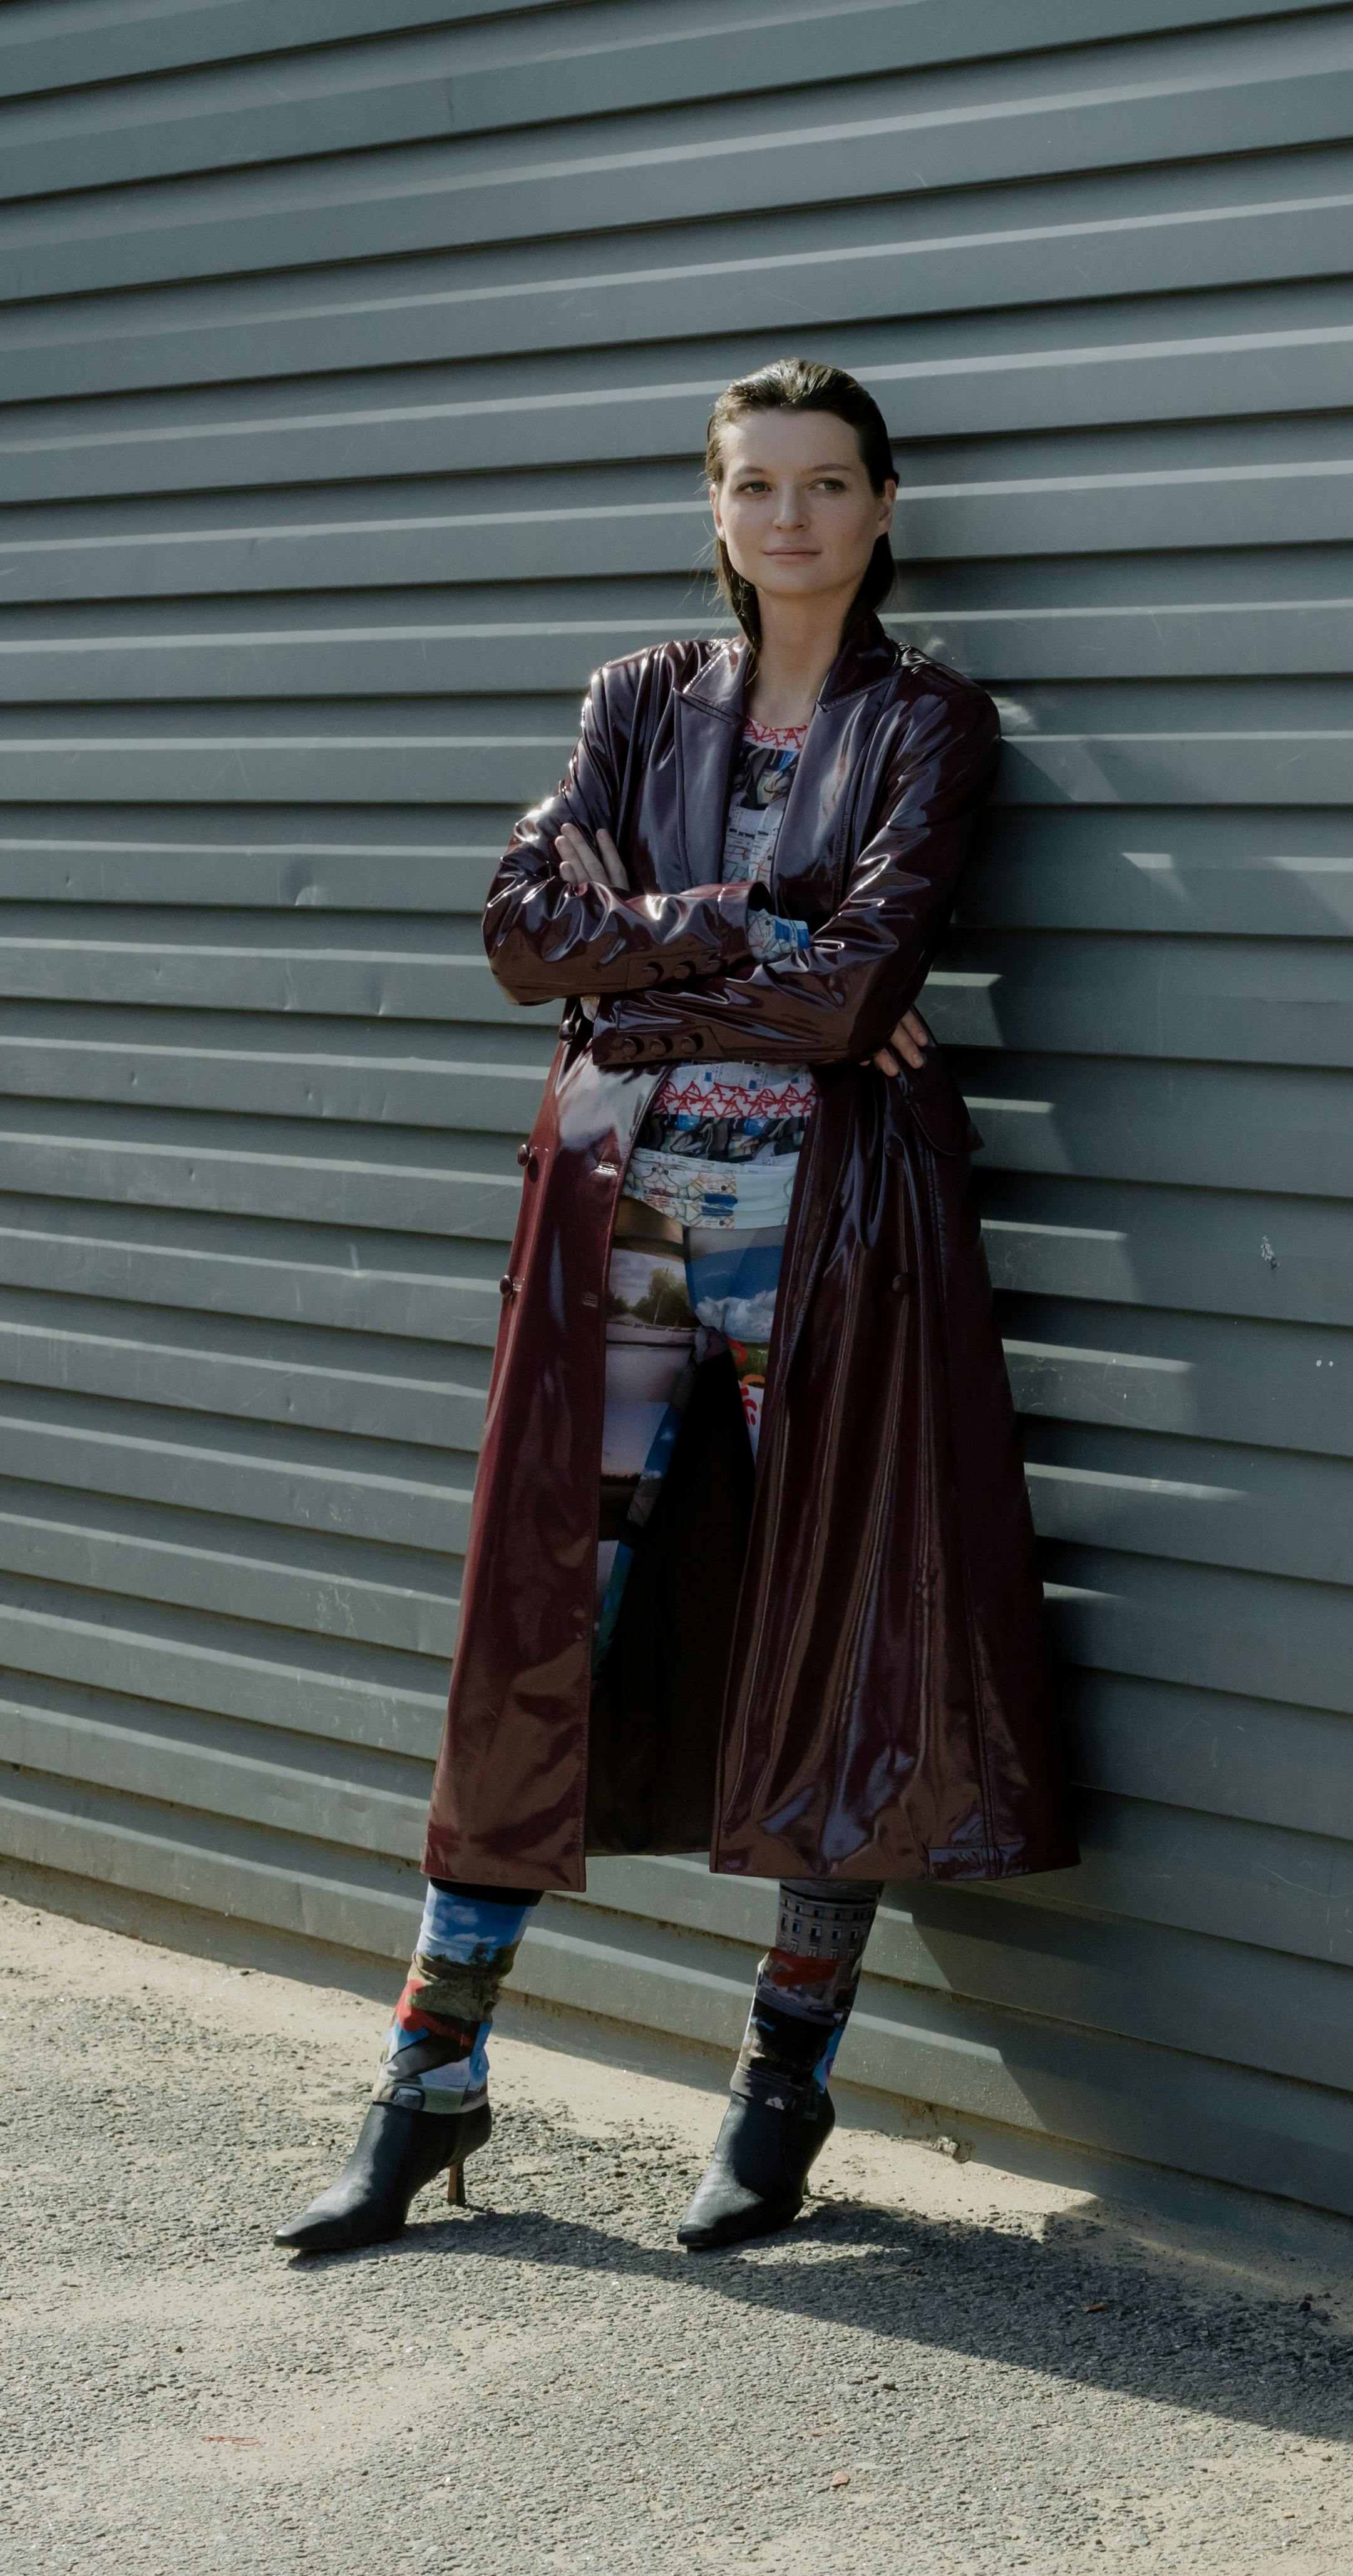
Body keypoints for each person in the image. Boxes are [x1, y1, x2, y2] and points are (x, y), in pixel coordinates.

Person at [277, 360, 1071, 2257]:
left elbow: (853, 980)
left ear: (886, 507)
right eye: (752, 485)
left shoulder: (934, 722)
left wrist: (656, 958)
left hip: (838, 1238)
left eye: (823, 484)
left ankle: (782, 2081)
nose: (787, 517)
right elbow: (514, 935)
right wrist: (751, 933)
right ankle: (427, 2079)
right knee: (540, 1620)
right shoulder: (639, 701)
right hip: (620, 1218)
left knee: (838, 1621)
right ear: (713, 510)